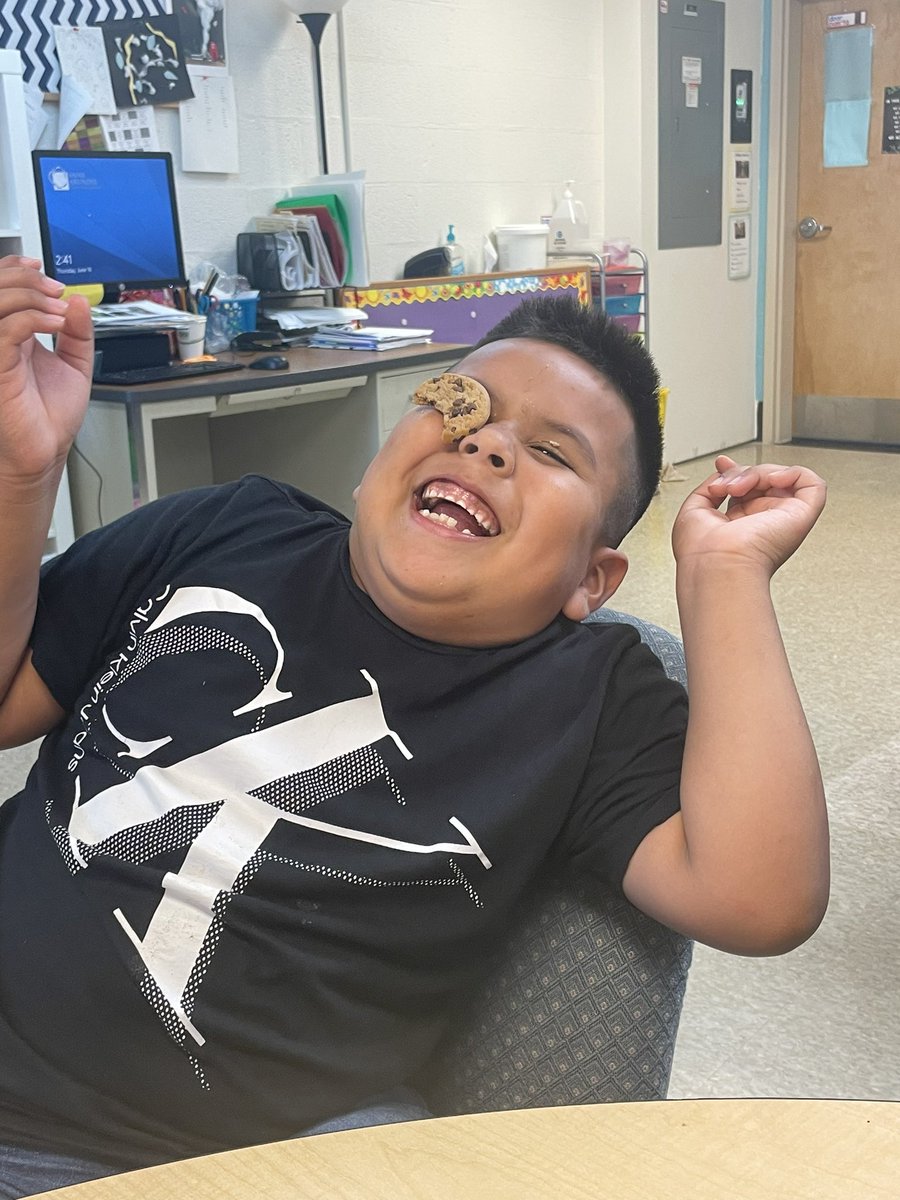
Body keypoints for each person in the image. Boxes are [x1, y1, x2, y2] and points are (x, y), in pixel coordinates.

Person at [0, 256, 829, 1193]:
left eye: (553, 453)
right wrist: (24, 475)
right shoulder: (226, 530)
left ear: (591, 583)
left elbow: (761, 901)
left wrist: (725, 578)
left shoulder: (586, 692)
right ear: (371, 466)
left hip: (245, 1159)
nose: (485, 446)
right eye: (459, 406)